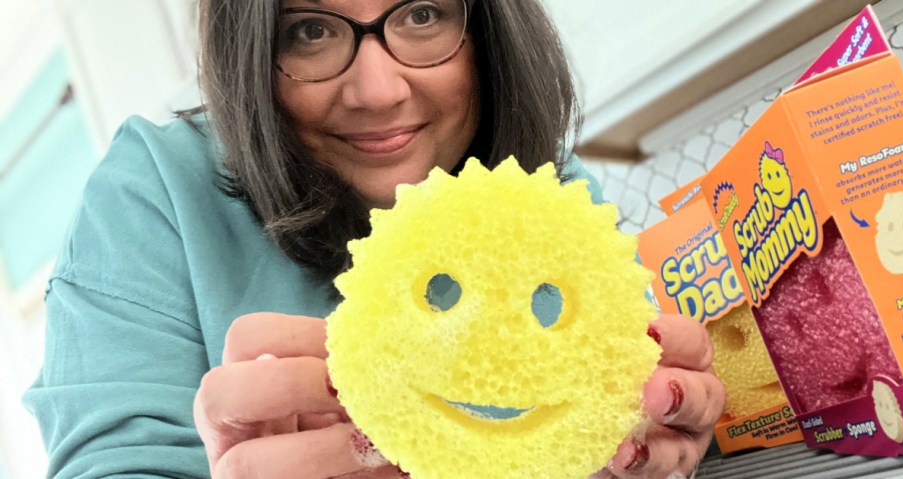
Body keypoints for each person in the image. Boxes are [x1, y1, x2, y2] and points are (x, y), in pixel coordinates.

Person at [24, 0, 725, 478]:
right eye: (309, 30)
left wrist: (659, 444)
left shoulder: (543, 186)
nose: (378, 89)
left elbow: (626, 417)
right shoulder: (153, 192)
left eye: (422, 13)